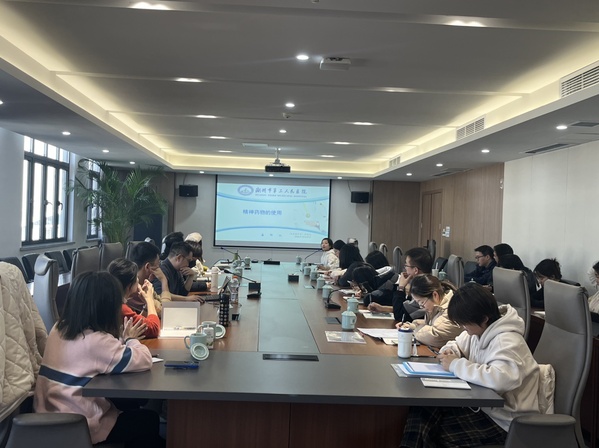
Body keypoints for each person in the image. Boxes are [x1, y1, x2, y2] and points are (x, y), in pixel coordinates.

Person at [400, 283, 552, 448]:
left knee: (438, 433)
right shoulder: (478, 330)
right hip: (484, 408)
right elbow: (456, 343)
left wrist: (456, 364)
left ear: (484, 318)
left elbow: (500, 379)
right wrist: (450, 351)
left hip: (505, 420)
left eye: (465, 324)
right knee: (424, 407)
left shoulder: (507, 341)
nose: (463, 328)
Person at [34, 272, 164, 448]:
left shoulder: (59, 328)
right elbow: (144, 359)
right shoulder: (96, 342)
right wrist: (131, 339)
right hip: (80, 424)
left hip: (48, 416)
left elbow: (101, 353)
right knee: (147, 420)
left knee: (128, 405)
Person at [395, 274, 461, 348]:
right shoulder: (437, 306)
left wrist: (414, 330)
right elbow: (431, 325)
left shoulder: (452, 310)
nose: (421, 307)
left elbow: (434, 336)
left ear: (435, 295)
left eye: (422, 302)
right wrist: (411, 327)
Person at [369, 247, 433, 321]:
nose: (405, 268)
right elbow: (405, 309)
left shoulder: (423, 288)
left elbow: (400, 315)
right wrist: (383, 308)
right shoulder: (420, 283)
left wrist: (401, 288)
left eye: (406, 266)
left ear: (415, 270)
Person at [108, 258, 160, 339]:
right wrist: (149, 299)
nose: (138, 281)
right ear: (129, 286)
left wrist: (146, 306)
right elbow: (154, 328)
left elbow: (138, 324)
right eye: (137, 278)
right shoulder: (120, 308)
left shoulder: (112, 301)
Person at [128, 241, 172, 317]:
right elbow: (166, 311)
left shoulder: (142, 282)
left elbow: (159, 301)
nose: (159, 268)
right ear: (147, 267)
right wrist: (164, 280)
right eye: (157, 265)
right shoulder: (136, 289)